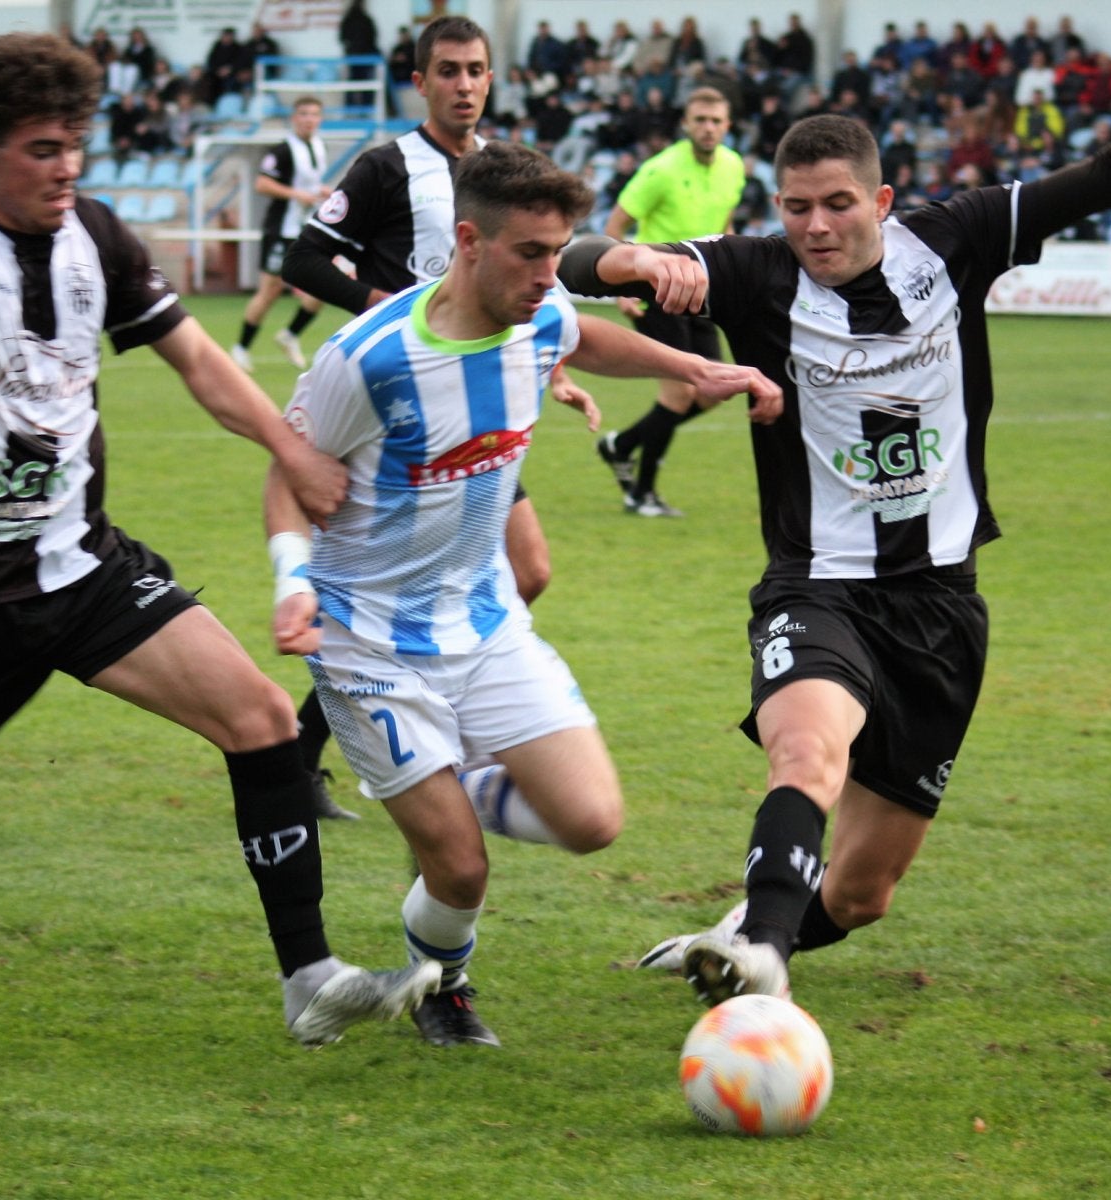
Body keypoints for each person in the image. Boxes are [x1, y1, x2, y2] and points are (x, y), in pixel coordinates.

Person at [0, 31, 438, 1047]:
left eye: (75, 140)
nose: (67, 165)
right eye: (42, 147)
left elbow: (204, 365)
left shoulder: (101, 237)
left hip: (84, 572)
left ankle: (309, 975)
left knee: (258, 717)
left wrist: (293, 452)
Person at [557, 0, 1111, 1007]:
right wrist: (633, 260)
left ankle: (744, 931)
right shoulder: (750, 272)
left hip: (942, 604)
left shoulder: (960, 237)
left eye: (837, 204)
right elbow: (571, 265)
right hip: (818, 585)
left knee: (864, 892)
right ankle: (763, 952)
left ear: (882, 198)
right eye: (796, 207)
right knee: (807, 748)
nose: (814, 227)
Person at [264, 141, 780, 1046]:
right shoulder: (370, 357)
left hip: (487, 626)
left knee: (593, 821)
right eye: (531, 254)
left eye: (559, 252)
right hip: (370, 645)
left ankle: (452, 776)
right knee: (459, 871)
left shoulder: (538, 317)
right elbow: (288, 472)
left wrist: (693, 369)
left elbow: (588, 336)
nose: (552, 275)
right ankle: (446, 986)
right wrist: (289, 581)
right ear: (468, 241)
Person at [281, 16, 576, 815]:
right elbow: (301, 258)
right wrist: (381, 304)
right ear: (419, 82)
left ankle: (416, 715)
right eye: (447, 71)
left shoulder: (505, 171)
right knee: (399, 601)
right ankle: (337, 744)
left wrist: (557, 370)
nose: (465, 85)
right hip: (399, 423)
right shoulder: (384, 167)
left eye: (477, 70)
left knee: (532, 570)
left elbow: (535, 279)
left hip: (481, 416)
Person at [593, 87, 744, 518]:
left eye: (716, 121)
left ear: (727, 126)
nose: (708, 128)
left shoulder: (733, 167)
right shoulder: (660, 170)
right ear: (686, 123)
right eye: (700, 120)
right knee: (678, 393)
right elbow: (616, 224)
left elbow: (725, 224)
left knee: (715, 390)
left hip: (702, 291)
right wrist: (622, 285)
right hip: (656, 291)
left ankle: (621, 446)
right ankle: (640, 494)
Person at [233, 97, 330, 372]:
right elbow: (262, 183)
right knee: (270, 290)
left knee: (321, 286)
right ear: (294, 118)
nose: (309, 119)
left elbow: (309, 183)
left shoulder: (318, 147)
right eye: (303, 114)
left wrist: (323, 191)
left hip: (306, 229)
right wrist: (295, 194)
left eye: (314, 114)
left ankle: (290, 335)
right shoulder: (283, 150)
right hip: (280, 230)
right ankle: (240, 348)